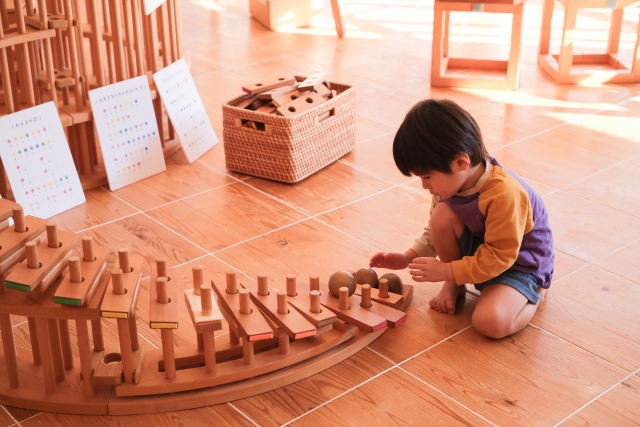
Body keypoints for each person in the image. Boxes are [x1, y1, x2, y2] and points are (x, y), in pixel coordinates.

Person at [369, 99, 554, 339]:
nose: (425, 186)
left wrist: (447, 270)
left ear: (460, 162)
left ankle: (533, 295)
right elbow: (433, 231)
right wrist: (408, 257)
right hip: (483, 248)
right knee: (441, 216)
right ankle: (456, 286)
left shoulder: (504, 194)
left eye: (426, 176)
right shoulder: (450, 184)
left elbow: (500, 256)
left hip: (517, 263)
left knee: (489, 322)